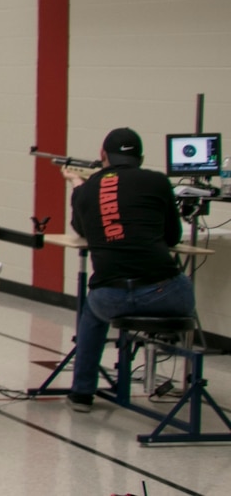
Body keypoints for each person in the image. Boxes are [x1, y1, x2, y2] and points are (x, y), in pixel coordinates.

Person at [65, 127, 194, 412]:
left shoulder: (87, 190)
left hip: (110, 297)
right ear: (141, 157)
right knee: (185, 285)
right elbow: (173, 236)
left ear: (102, 155)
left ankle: (82, 393)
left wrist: (76, 184)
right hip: (164, 294)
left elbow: (81, 229)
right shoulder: (158, 181)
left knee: (92, 310)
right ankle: (186, 375)